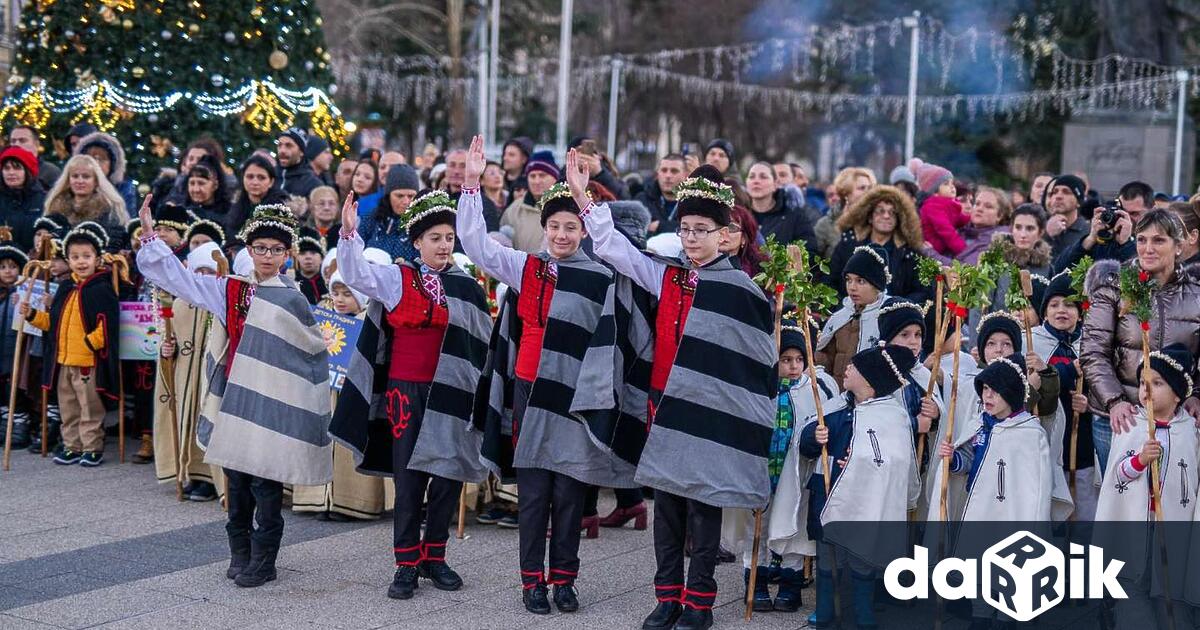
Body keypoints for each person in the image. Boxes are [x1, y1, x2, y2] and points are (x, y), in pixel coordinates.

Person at [566, 151, 776, 630]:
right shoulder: (669, 275)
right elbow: (617, 249)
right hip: (665, 405)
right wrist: (583, 198)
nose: (692, 239)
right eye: (686, 230)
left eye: (702, 230)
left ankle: (699, 602)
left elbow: (755, 360)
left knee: (703, 509)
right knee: (667, 509)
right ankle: (667, 598)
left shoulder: (742, 288)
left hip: (710, 412)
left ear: (724, 235)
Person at [460, 136, 638, 616]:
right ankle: (531, 582)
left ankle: (565, 580)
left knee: (570, 494)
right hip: (532, 388)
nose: (562, 234)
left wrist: (584, 197)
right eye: (555, 226)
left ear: (582, 230)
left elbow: (618, 251)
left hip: (576, 397)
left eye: (571, 227)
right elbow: (476, 245)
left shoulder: (600, 275)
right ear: (543, 228)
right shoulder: (527, 269)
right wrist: (472, 185)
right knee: (535, 495)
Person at [136, 199, 333, 588]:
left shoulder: (293, 298)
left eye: (276, 249)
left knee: (266, 481)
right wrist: (150, 238)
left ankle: (265, 559)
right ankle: (239, 550)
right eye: (260, 248)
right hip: (234, 395)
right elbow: (181, 280)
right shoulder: (231, 291)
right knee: (238, 479)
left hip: (272, 399)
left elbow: (312, 351)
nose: (267, 255)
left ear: (286, 254)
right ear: (249, 249)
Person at [332, 187, 494, 600]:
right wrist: (349, 237)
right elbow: (356, 276)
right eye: (435, 238)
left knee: (447, 474)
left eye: (449, 238)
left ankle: (434, 557)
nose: (443, 245)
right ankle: (405, 562)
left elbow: (481, 346)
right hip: (406, 393)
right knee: (409, 479)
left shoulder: (468, 286)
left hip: (453, 393)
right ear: (417, 241)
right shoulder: (397, 278)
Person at [800, 344, 919, 629]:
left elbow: (896, 459)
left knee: (862, 556)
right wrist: (814, 437)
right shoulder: (835, 408)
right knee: (828, 554)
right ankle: (826, 607)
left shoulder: (893, 416)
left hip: (867, 499)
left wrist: (859, 464)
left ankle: (863, 610)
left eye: (854, 366)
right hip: (829, 493)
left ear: (870, 379)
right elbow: (806, 447)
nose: (847, 369)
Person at [936, 354, 1057, 626]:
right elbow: (967, 460)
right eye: (985, 390)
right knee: (979, 567)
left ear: (1012, 395)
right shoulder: (981, 424)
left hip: (1011, 515)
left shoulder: (1029, 433)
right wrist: (952, 459)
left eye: (995, 391)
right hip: (980, 508)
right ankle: (980, 616)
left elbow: (1036, 486)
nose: (987, 397)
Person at [729, 320, 841, 614]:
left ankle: (791, 583)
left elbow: (823, 424)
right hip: (764, 470)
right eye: (786, 359)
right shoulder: (760, 387)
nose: (793, 366)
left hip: (797, 472)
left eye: (799, 360)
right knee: (759, 526)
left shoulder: (813, 390)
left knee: (794, 525)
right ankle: (757, 581)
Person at [1081, 209, 1200, 476]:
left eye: (1159, 240)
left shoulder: (1196, 293)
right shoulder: (1113, 286)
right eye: (1141, 239)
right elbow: (1093, 351)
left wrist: (1196, 395)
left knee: (1169, 501)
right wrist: (1115, 400)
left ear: (1179, 246)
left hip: (1176, 418)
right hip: (1121, 416)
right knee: (1121, 499)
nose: (1147, 248)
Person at [1095, 344, 1195, 629]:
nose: (1146, 390)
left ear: (1178, 393)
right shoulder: (1131, 425)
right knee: (1133, 587)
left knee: (1169, 592)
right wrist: (1139, 460)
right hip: (1137, 525)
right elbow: (1118, 476)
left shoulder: (1189, 431)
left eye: (1157, 383)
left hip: (1171, 529)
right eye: (1142, 382)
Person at [292, 256, 388, 523]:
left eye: (348, 293)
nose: (340, 299)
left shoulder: (370, 320)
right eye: (336, 292)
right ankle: (320, 496)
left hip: (354, 393)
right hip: (326, 392)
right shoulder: (325, 319)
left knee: (349, 446)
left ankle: (352, 500)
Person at [22, 222, 120, 467]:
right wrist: (33, 315)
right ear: (68, 259)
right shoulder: (66, 288)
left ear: (97, 258)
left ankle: (92, 447)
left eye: (87, 256)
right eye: (75, 257)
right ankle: (71, 446)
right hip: (63, 361)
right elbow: (52, 325)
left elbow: (108, 324)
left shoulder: (102, 287)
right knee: (68, 408)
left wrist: (91, 342)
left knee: (90, 408)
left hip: (87, 362)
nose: (81, 261)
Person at [152, 241, 227, 502]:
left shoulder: (221, 301)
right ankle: (191, 474)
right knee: (189, 419)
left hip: (209, 375)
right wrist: (167, 351)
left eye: (209, 272)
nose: (203, 278)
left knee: (209, 419)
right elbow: (171, 338)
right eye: (199, 272)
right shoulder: (181, 304)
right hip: (188, 376)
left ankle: (210, 477)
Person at [1030, 271, 1097, 521]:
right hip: (1046, 436)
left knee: (1084, 504)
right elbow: (1030, 388)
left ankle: (1082, 553)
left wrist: (1089, 404)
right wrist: (1067, 371)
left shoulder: (1091, 343)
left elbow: (1104, 385)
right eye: (1054, 304)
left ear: (1081, 311)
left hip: (1082, 440)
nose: (1062, 310)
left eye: (1070, 304)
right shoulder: (1033, 343)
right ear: (1044, 310)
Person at [828, 185, 929, 304]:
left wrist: (898, 308)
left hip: (893, 318)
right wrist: (844, 308)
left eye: (892, 213)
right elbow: (829, 281)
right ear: (870, 217)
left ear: (899, 219)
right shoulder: (848, 245)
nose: (886, 216)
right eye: (880, 211)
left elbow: (922, 292)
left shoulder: (910, 253)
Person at [816, 244, 890, 388]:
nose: (852, 287)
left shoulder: (887, 317)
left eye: (860, 281)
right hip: (834, 396)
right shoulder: (841, 317)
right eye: (849, 280)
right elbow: (825, 358)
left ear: (877, 284)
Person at [43, 154, 130, 250]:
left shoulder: (109, 209)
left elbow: (114, 244)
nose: (80, 181)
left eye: (86, 177)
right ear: (68, 180)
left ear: (96, 181)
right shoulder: (55, 209)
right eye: (75, 176)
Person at [924, 185, 1011, 267]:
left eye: (988, 207)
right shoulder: (961, 230)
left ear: (1000, 216)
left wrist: (929, 253)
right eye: (977, 204)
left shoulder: (998, 241)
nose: (979, 209)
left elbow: (966, 269)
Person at [745, 162, 820, 255]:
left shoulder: (794, 215)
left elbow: (809, 253)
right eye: (751, 177)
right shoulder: (738, 215)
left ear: (775, 184)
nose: (756, 181)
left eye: (763, 177)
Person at [360, 164, 421, 263]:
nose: (406, 201)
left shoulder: (423, 223)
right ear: (388, 195)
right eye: (399, 196)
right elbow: (355, 252)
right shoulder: (371, 219)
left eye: (411, 196)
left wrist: (408, 266)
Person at [0, 237, 29, 449]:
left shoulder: (24, 292)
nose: (8, 271)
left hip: (16, 350)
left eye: (12, 266)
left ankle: (20, 424)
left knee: (16, 389)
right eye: (2, 267)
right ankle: (4, 422)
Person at [501, 150, 559, 254]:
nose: (536, 181)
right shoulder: (514, 209)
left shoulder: (566, 207)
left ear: (555, 178)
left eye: (542, 175)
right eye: (532, 176)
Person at [910, 158, 966, 258]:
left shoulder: (949, 204)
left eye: (952, 183)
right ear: (935, 192)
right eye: (946, 184)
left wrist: (971, 219)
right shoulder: (933, 207)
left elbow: (959, 219)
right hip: (935, 251)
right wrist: (965, 251)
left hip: (944, 247)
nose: (952, 187)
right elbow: (946, 231)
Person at [814, 167, 875, 258]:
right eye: (862, 188)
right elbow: (812, 262)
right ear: (846, 193)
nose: (867, 192)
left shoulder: (877, 222)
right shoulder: (826, 224)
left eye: (869, 188)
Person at [74, 131, 137, 215]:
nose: (96, 163)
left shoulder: (124, 190)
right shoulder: (72, 187)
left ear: (112, 164)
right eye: (91, 158)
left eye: (102, 159)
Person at [227, 154, 289, 237]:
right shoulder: (236, 207)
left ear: (271, 182)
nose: (255, 182)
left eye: (261, 178)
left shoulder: (280, 209)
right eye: (250, 177)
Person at [0, 146, 47, 250]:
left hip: (34, 262)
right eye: (6, 168)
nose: (11, 172)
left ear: (27, 171)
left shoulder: (44, 200)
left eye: (17, 168)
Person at [636, 154, 687, 236]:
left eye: (674, 171)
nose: (668, 176)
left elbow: (698, 229)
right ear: (657, 174)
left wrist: (660, 226)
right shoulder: (642, 201)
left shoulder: (695, 202)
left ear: (685, 175)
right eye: (664, 170)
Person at [1043, 174, 1090, 258]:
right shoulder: (1040, 228)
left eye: (1066, 192)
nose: (1058, 196)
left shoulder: (1088, 232)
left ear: (1078, 202)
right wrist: (1047, 234)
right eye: (1055, 192)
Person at [181, 154, 233, 228]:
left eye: (201, 183)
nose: (196, 189)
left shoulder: (231, 214)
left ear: (215, 185)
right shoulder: (181, 212)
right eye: (192, 183)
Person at [8, 124, 60, 190]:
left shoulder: (50, 172)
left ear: (36, 144)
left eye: (22, 140)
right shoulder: (3, 172)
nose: (16, 144)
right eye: (13, 141)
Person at [718, 206, 766, 278]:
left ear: (744, 238)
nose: (723, 233)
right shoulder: (697, 267)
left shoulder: (761, 273)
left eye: (731, 227)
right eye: (718, 226)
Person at [276, 128, 323, 198]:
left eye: (288, 146)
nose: (282, 150)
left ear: (301, 152)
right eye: (279, 145)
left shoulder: (312, 183)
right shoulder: (270, 177)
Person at [295, 226, 327, 305]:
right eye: (302, 253)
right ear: (297, 257)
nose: (308, 257)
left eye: (313, 253)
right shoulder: (291, 283)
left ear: (322, 258)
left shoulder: (330, 284)